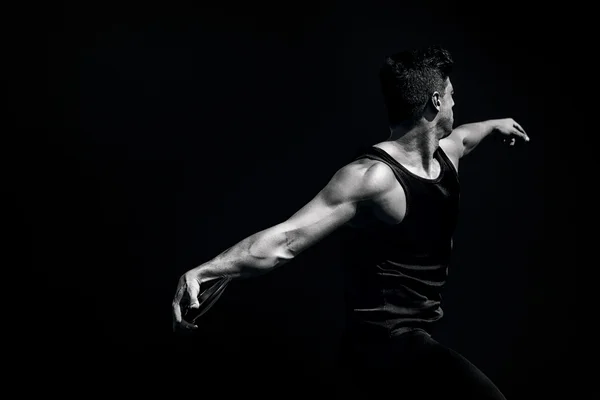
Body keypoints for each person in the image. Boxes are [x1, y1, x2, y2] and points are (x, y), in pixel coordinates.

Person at [171, 45, 529, 399]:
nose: (455, 101)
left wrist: (497, 125)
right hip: (383, 346)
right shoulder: (372, 178)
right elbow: (286, 240)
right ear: (435, 102)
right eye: (450, 95)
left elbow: (468, 135)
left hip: (417, 338)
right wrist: (206, 271)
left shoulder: (446, 154)